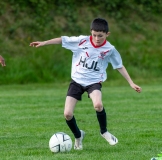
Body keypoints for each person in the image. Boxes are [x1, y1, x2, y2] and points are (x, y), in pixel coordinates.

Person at [30, 18, 142, 150]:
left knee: (98, 104)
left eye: (100, 36)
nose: (96, 38)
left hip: (94, 82)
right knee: (67, 114)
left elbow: (119, 66)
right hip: (76, 82)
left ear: (107, 34)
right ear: (90, 32)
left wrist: (131, 82)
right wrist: (44, 43)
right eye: (94, 35)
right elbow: (62, 39)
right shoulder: (82, 41)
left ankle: (104, 132)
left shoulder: (110, 49)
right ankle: (78, 136)